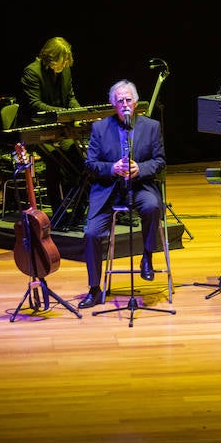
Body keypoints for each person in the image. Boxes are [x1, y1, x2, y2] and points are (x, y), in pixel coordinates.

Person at [78, 80, 166, 309]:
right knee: (91, 234)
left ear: (136, 102)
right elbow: (90, 164)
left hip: (140, 186)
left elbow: (160, 161)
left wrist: (141, 169)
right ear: (112, 104)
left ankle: (147, 256)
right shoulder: (99, 128)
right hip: (109, 190)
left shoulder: (151, 126)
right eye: (120, 101)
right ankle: (95, 289)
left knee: (152, 206)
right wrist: (112, 168)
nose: (125, 104)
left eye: (128, 100)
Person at [21, 37, 84, 215]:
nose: (64, 65)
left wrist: (80, 113)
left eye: (66, 62)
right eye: (61, 61)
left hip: (60, 128)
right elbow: (35, 105)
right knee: (55, 159)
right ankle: (58, 211)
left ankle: (79, 209)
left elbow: (70, 96)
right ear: (49, 57)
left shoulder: (65, 71)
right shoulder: (32, 72)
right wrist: (63, 114)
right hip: (37, 129)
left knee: (78, 155)